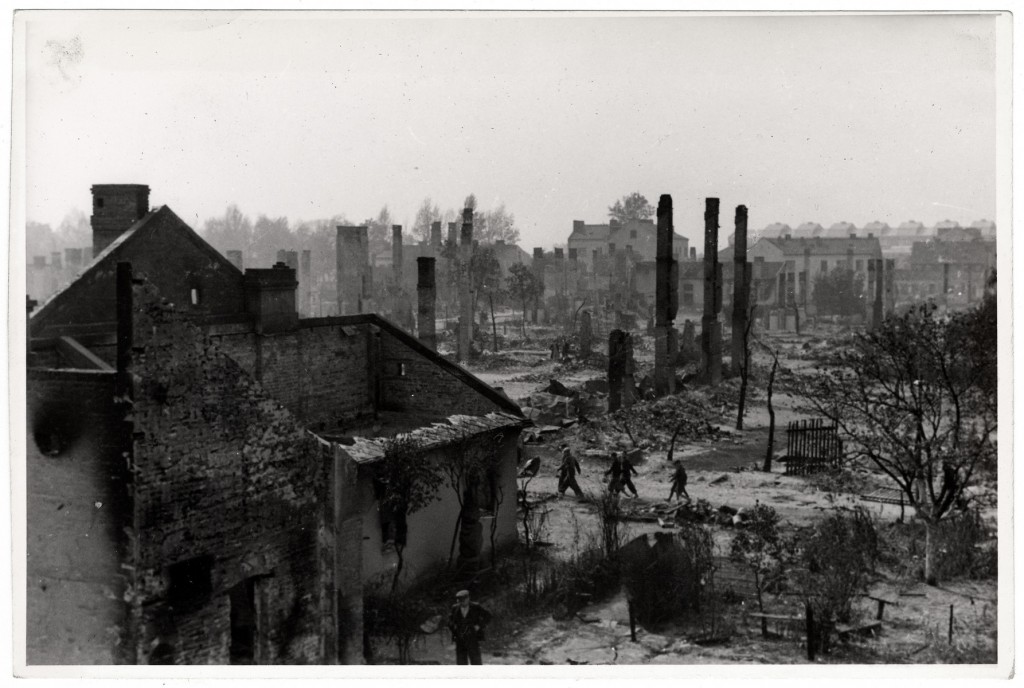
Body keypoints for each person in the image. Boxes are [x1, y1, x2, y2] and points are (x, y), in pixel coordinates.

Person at [448, 589, 492, 665]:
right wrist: (454, 628)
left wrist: (479, 626)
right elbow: (450, 621)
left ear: (468, 598)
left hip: (473, 637)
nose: (461, 603)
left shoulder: (476, 607)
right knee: (461, 661)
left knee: (476, 661)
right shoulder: (454, 608)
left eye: (463, 601)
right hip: (460, 638)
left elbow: (488, 616)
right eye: (459, 601)